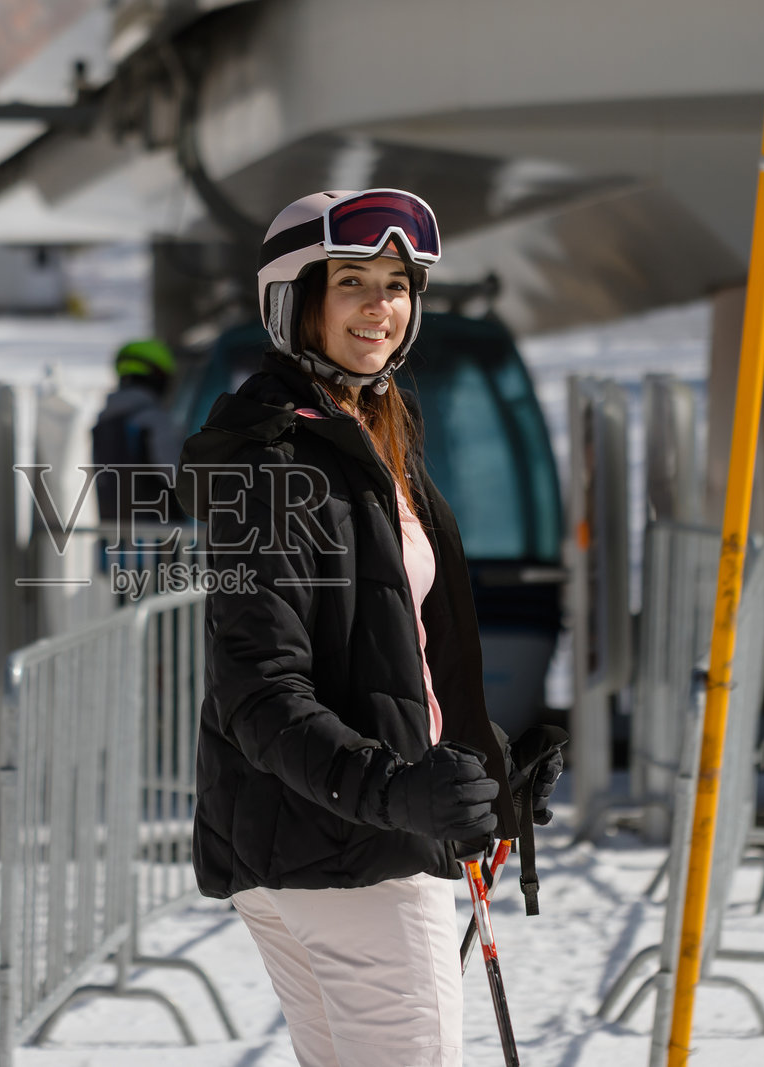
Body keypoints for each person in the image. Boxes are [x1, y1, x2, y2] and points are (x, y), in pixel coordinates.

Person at [176, 188, 565, 1067]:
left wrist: (485, 760)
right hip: (350, 855)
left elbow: (382, 660)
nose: (381, 306)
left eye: (396, 283)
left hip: (324, 840)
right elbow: (260, 691)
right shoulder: (279, 464)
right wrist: (396, 793)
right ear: (296, 299)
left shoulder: (360, 442)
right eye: (352, 281)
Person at [91, 338, 184, 528]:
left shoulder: (105, 420)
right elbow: (178, 476)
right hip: (160, 541)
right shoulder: (153, 419)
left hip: (116, 539)